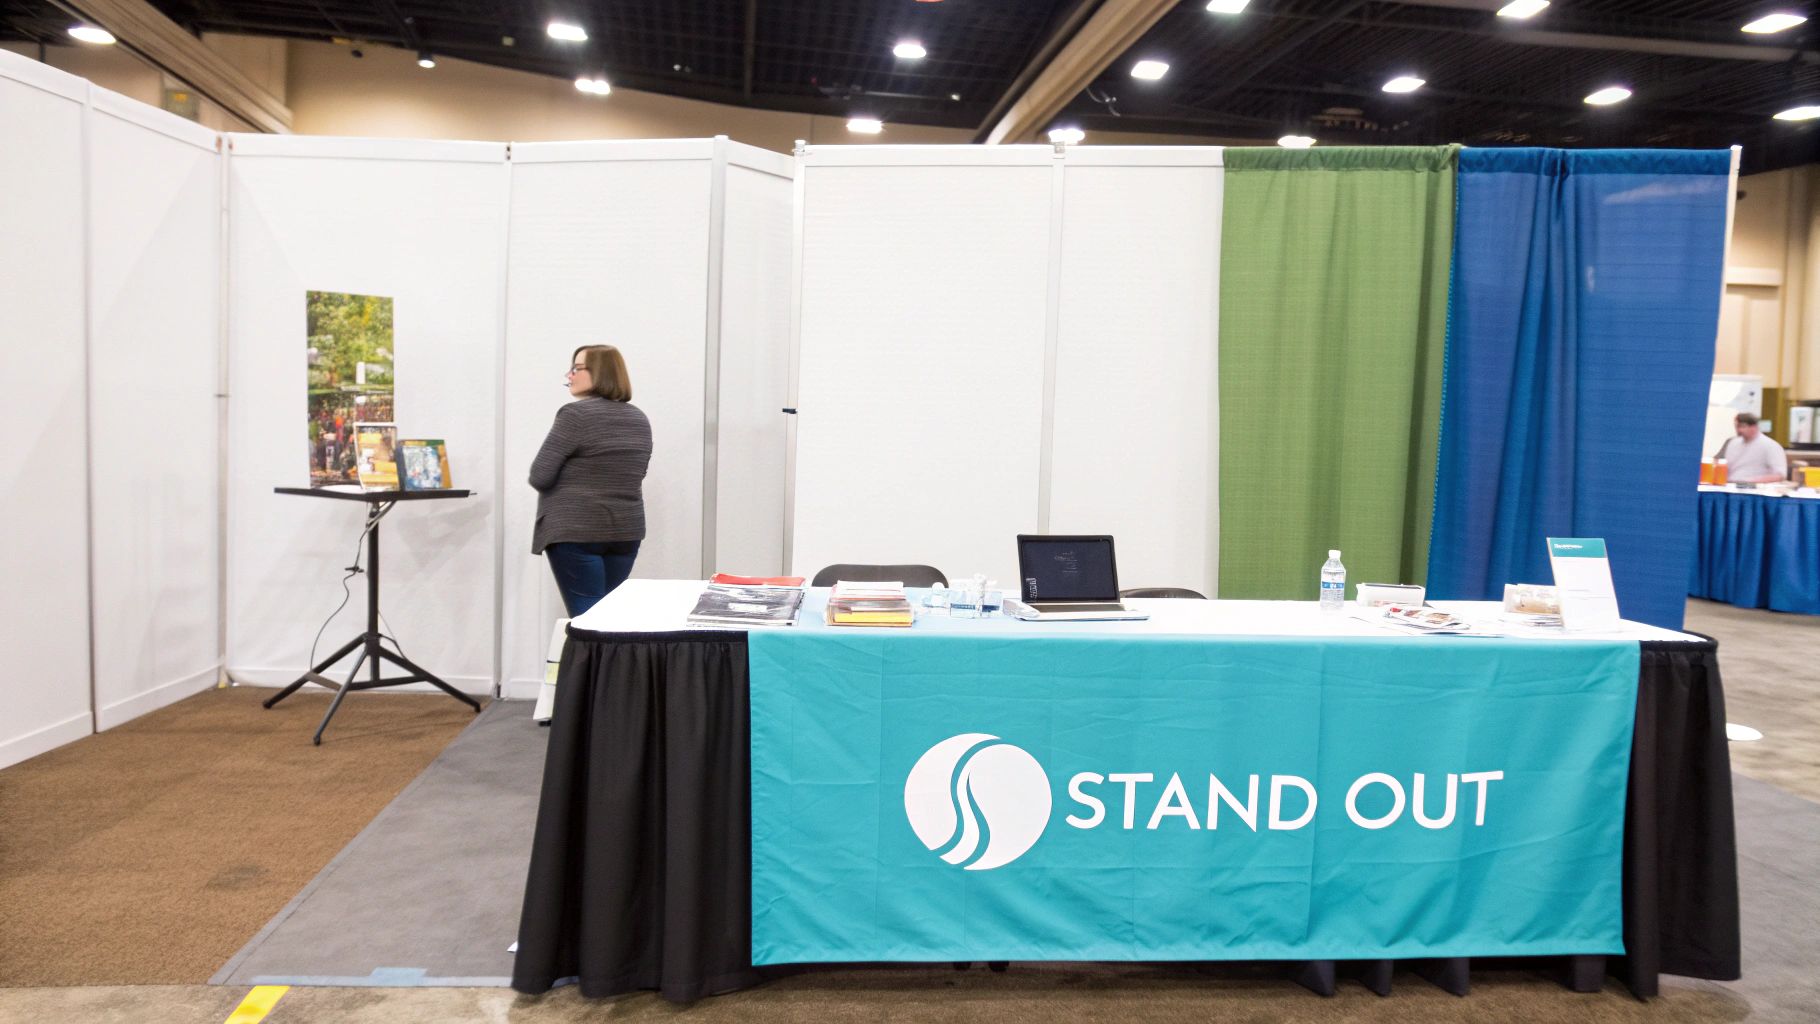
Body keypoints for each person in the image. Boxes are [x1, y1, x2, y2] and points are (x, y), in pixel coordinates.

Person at [529, 345, 653, 617]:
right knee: (609, 619)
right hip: (625, 530)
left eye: (576, 368)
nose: (569, 375)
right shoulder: (638, 418)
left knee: (589, 622)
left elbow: (541, 475)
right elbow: (636, 473)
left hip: (576, 530)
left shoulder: (575, 415)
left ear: (600, 372)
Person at [1714, 412, 1788, 484]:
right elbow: (1721, 463)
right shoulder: (1732, 442)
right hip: (1729, 485)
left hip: (1753, 488)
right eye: (1737, 426)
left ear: (1754, 427)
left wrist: (1750, 482)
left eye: (1742, 426)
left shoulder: (1771, 446)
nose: (1739, 430)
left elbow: (1780, 475)